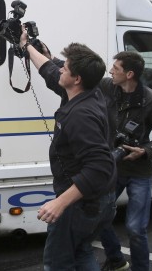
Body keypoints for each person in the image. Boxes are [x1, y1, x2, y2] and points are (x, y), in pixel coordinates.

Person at [22, 32, 117, 270]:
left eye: (65, 67)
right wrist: (27, 47)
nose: (60, 69)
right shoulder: (90, 90)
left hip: (81, 205)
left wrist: (61, 203)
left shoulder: (80, 116)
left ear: (77, 79)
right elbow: (51, 71)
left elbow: (100, 167)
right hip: (100, 200)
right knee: (82, 252)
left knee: (57, 263)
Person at [98, 51, 152, 271]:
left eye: (116, 68)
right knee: (99, 217)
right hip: (112, 168)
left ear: (129, 74)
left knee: (135, 229)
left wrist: (144, 150)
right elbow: (81, 74)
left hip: (139, 172)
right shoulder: (107, 87)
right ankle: (116, 260)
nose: (111, 71)